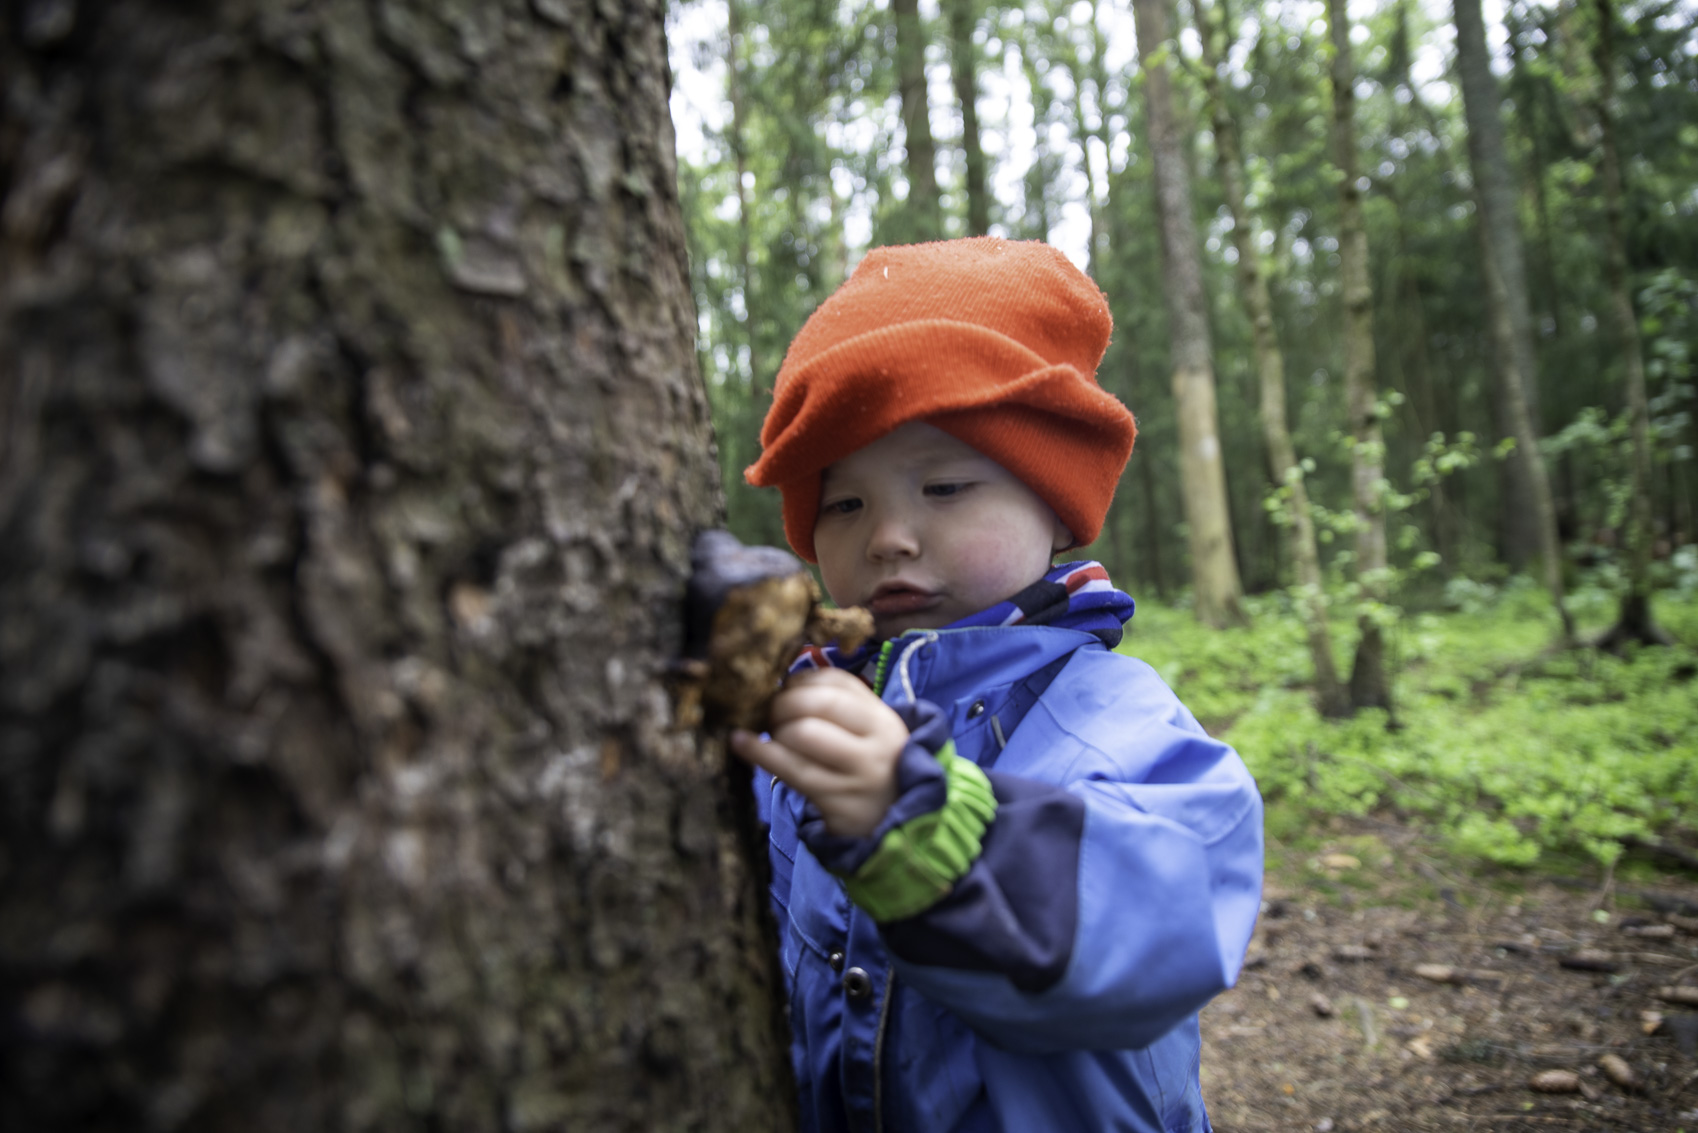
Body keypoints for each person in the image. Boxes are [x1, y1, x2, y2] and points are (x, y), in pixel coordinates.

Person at [730, 236, 1262, 1132]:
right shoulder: (803, 714)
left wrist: (926, 826)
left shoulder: (1110, 718)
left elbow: (1169, 918)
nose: (888, 535)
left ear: (1053, 505)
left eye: (943, 485)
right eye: (845, 502)